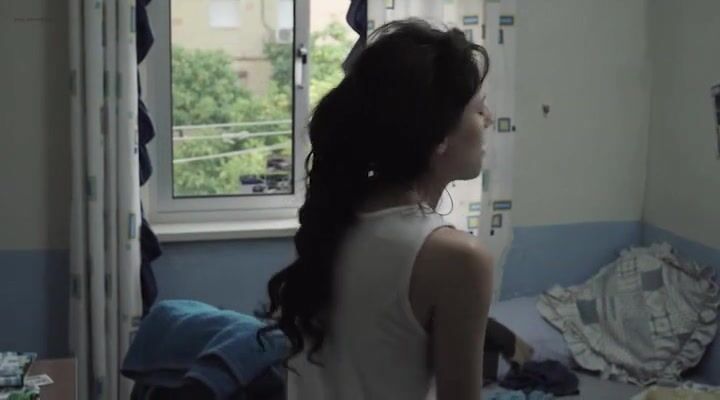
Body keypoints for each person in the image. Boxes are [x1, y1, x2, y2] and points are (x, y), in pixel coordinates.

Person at [259, 19, 495, 400]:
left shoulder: (337, 214)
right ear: (440, 136)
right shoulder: (459, 260)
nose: (489, 119)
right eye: (479, 110)